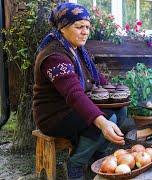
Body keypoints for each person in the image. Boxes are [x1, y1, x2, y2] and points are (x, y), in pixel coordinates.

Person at [32, 3, 135, 179]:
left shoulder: (77, 50)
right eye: (79, 27)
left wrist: (115, 91)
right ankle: (76, 164)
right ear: (63, 28)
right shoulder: (54, 56)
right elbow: (74, 94)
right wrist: (102, 122)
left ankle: (96, 156)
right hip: (54, 115)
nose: (85, 31)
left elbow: (97, 79)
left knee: (120, 110)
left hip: (72, 109)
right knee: (107, 117)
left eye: (87, 27)